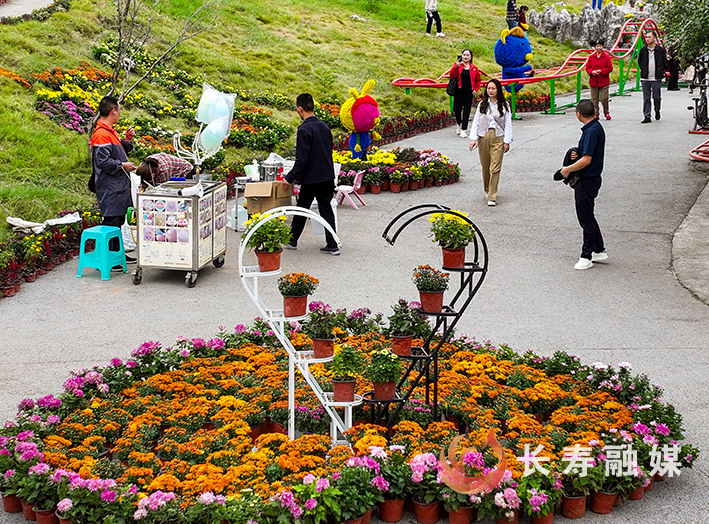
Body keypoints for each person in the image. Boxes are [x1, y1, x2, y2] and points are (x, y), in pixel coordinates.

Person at [283, 93, 339, 255]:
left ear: (300, 109)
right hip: (327, 175)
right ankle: (332, 243)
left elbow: (302, 159)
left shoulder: (304, 130)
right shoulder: (324, 127)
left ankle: (292, 240)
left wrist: (289, 178)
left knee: (302, 208)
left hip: (311, 178)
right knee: (325, 208)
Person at [560, 99, 607, 270]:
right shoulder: (595, 128)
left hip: (587, 180)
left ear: (578, 114)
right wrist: (576, 152)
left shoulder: (591, 131)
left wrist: (567, 169)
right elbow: (586, 153)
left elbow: (587, 160)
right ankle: (598, 248)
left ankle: (586, 255)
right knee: (588, 214)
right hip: (592, 179)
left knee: (585, 218)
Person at [91, 95, 137, 268]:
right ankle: (109, 258)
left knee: (119, 220)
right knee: (111, 221)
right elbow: (103, 162)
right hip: (110, 187)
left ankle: (117, 254)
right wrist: (122, 165)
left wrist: (127, 141)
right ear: (113, 111)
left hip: (118, 185)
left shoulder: (110, 132)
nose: (120, 114)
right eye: (119, 111)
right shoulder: (101, 134)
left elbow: (117, 152)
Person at [468, 78, 513, 207]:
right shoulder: (482, 104)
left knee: (495, 167)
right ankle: (487, 189)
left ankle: (492, 195)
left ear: (498, 90)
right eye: (489, 88)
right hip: (483, 136)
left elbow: (508, 124)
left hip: (498, 136)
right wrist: (473, 139)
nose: (491, 91)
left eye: (493, 88)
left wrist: (507, 141)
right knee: (485, 165)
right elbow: (476, 122)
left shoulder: (505, 105)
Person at [439, 49, 482, 138]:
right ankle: (459, 123)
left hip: (469, 92)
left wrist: (476, 89)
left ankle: (464, 129)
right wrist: (455, 67)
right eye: (464, 55)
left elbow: (478, 80)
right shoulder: (457, 66)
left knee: (467, 111)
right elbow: (452, 76)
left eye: (467, 55)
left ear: (470, 57)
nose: (465, 57)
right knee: (457, 110)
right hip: (458, 91)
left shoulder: (474, 68)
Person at [638, 31, 668, 123]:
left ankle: (657, 110)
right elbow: (640, 61)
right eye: (646, 37)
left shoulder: (660, 50)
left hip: (656, 77)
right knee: (646, 98)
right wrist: (643, 69)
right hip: (645, 78)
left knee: (656, 97)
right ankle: (647, 116)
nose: (647, 39)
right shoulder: (643, 50)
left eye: (649, 37)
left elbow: (664, 61)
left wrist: (661, 70)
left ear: (654, 38)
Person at [586, 39, 613, 120]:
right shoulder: (591, 57)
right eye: (597, 46)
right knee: (594, 99)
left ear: (603, 47)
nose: (599, 48)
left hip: (603, 80)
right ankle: (596, 113)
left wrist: (601, 71)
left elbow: (610, 68)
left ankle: (606, 112)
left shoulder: (607, 57)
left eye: (600, 46)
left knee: (604, 98)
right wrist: (591, 72)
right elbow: (587, 68)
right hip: (594, 80)